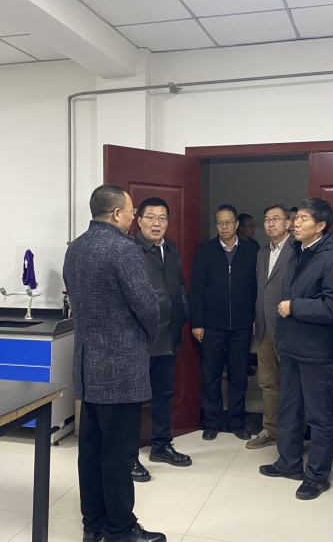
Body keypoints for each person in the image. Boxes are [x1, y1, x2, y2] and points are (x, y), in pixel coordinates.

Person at [63, 184, 165, 542]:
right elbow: (146, 305)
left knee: (90, 449)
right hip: (120, 367)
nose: (134, 218)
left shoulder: (75, 248)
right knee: (119, 453)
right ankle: (121, 530)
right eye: (133, 211)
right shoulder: (123, 248)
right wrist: (149, 335)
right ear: (117, 213)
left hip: (87, 365)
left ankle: (93, 526)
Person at [259, 199, 333, 501]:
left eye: (303, 219)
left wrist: (295, 307)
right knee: (288, 408)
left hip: (316, 350)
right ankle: (288, 461)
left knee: (319, 416)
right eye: (295, 218)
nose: (295, 223)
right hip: (291, 345)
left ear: (321, 226)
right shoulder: (298, 250)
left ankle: (317, 476)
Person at [130, 197, 192, 484]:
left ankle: (161, 445)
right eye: (151, 217)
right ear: (139, 220)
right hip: (141, 338)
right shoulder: (130, 250)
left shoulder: (171, 247)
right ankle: (129, 456)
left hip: (169, 335)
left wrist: (183, 312)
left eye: (162, 218)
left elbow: (179, 284)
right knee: (133, 400)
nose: (157, 223)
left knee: (164, 393)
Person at [191, 204, 258, 441]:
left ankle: (237, 422)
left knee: (239, 376)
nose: (224, 227)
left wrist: (255, 318)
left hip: (242, 324)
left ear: (237, 224)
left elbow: (256, 288)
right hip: (212, 325)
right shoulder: (205, 250)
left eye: (228, 222)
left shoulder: (251, 250)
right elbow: (196, 288)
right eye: (220, 223)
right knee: (212, 375)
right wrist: (197, 322)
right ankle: (213, 422)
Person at [247, 203, 293, 450]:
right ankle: (270, 429)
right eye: (266, 219)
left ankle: (292, 433)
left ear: (288, 222)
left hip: (288, 328)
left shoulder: (297, 250)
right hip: (264, 327)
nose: (271, 223)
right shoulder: (262, 252)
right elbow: (259, 289)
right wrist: (257, 319)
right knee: (267, 383)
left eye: (276, 218)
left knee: (291, 384)